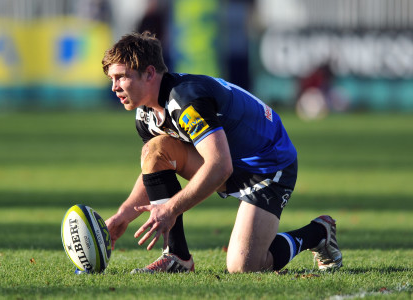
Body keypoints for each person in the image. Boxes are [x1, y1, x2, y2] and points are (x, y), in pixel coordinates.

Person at [102, 31, 342, 273]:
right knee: (154, 149)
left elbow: (220, 166)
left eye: (121, 77)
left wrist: (171, 209)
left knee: (245, 266)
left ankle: (317, 233)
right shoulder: (145, 114)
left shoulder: (186, 100)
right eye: (111, 78)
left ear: (150, 73)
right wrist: (123, 216)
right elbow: (154, 166)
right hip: (229, 160)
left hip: (269, 166)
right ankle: (178, 257)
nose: (114, 87)